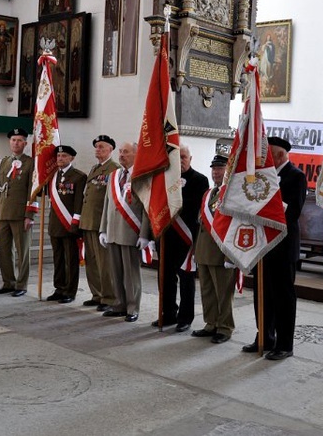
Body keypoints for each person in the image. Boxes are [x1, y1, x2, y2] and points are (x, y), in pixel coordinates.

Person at [242, 137, 307, 360]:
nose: (264, 158)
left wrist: (266, 215)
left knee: (283, 296)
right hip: (262, 245)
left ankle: (285, 343)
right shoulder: (262, 176)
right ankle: (265, 336)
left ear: (279, 155)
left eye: (268, 154)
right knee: (262, 293)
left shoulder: (295, 176)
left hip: (283, 245)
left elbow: (293, 211)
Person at [155, 145, 209, 332]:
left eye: (184, 157)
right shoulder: (165, 179)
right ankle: (168, 313)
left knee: (186, 280)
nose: (181, 160)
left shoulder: (200, 180)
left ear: (191, 158)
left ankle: (185, 318)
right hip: (166, 237)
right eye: (178, 158)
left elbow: (195, 208)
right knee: (165, 278)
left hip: (187, 238)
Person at [98, 142, 150, 323]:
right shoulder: (114, 176)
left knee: (130, 274)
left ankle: (132, 307)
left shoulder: (141, 177)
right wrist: (103, 229)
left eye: (126, 152)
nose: (121, 155)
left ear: (136, 154)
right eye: (120, 152)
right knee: (116, 273)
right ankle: (118, 304)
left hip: (131, 232)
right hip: (112, 231)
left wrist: (144, 234)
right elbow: (106, 204)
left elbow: (146, 208)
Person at [191, 154, 237, 344]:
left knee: (223, 293)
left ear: (228, 171)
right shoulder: (208, 193)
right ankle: (211, 323)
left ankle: (225, 327)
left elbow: (234, 226)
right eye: (214, 169)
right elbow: (200, 223)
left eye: (220, 168)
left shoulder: (231, 194)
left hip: (221, 253)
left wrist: (231, 255)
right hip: (204, 250)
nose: (216, 172)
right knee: (207, 290)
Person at [0, 128, 37, 297]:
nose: (15, 143)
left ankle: (21, 284)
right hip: (3, 213)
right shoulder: (3, 162)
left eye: (19, 140)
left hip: (20, 215)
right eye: (13, 140)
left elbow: (32, 191)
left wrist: (29, 215)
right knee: (5, 250)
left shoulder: (31, 163)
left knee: (22, 251)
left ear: (25, 143)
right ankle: (8, 282)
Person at [79, 135, 120, 311]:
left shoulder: (114, 169)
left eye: (102, 147)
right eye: (96, 147)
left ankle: (109, 298)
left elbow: (113, 200)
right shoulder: (95, 168)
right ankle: (97, 294)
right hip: (88, 222)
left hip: (101, 224)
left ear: (111, 149)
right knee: (92, 262)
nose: (98, 149)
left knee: (105, 264)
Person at [46, 145, 87, 304]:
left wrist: (75, 224)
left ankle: (70, 291)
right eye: (58, 156)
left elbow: (78, 204)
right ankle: (59, 288)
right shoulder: (52, 176)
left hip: (70, 225)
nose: (60, 159)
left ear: (71, 158)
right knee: (58, 259)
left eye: (64, 156)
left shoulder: (78, 177)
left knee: (71, 260)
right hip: (55, 224)